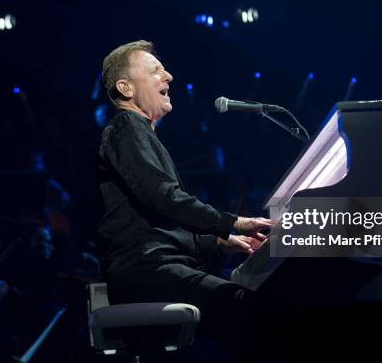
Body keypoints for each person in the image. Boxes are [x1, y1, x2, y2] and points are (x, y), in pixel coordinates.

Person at [97, 40, 275, 314]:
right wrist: (234, 223)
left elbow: (159, 222)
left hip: (154, 264)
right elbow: (164, 198)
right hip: (145, 269)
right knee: (247, 306)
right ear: (126, 88)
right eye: (155, 70)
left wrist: (221, 241)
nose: (168, 76)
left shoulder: (138, 132)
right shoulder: (125, 126)